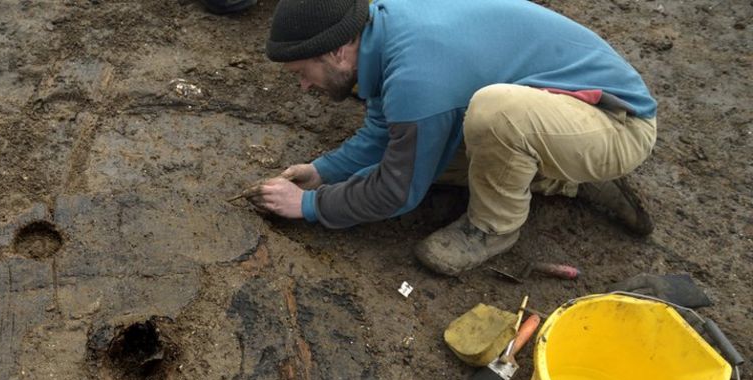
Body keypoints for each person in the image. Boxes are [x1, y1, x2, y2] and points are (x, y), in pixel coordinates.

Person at [249, 0, 658, 275]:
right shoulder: (381, 29)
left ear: (337, 51)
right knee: (427, 144)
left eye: (302, 73)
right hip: (556, 110)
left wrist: (308, 206)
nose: (303, 86)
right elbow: (385, 128)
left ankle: (494, 228)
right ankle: (561, 175)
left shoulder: (416, 72)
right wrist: (323, 172)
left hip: (617, 124)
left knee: (493, 115)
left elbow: (396, 191)